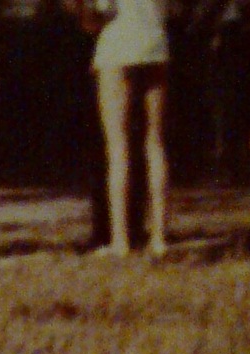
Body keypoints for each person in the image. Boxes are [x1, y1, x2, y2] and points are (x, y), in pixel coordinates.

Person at [83, 0, 169, 258]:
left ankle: (120, 240)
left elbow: (98, 13)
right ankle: (159, 238)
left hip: (117, 46)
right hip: (156, 45)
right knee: (155, 143)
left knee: (118, 146)